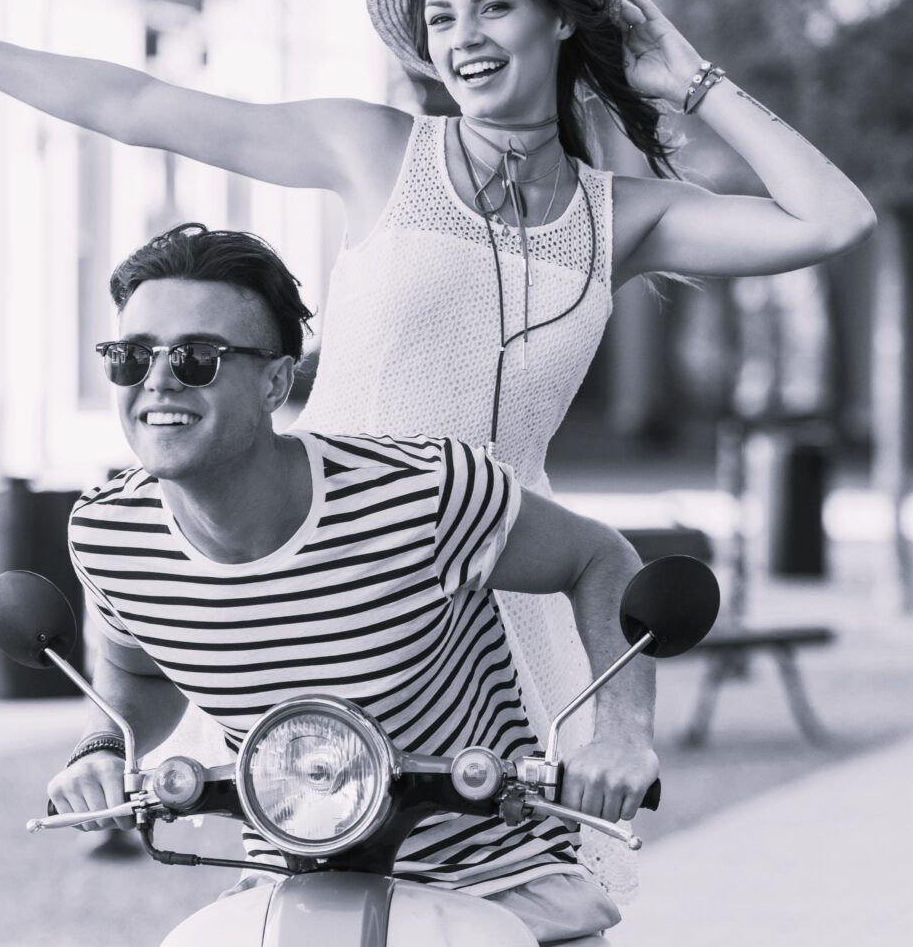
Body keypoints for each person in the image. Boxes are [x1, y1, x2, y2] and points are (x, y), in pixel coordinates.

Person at [0, 0, 875, 894]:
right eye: (439, 16)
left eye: (494, 5)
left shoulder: (624, 215)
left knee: (531, 892)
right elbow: (140, 103)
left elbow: (831, 220)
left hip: (512, 576)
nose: (463, 36)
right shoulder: (378, 151)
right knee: (310, 866)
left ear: (557, 17)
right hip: (336, 563)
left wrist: (689, 83)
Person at [52, 224, 653, 944]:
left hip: (498, 882)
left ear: (275, 380)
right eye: (132, 355)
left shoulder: (422, 492)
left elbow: (599, 558)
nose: (159, 378)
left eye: (197, 356)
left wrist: (621, 736)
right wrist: (102, 748)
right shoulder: (110, 532)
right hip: (292, 887)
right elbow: (134, 669)